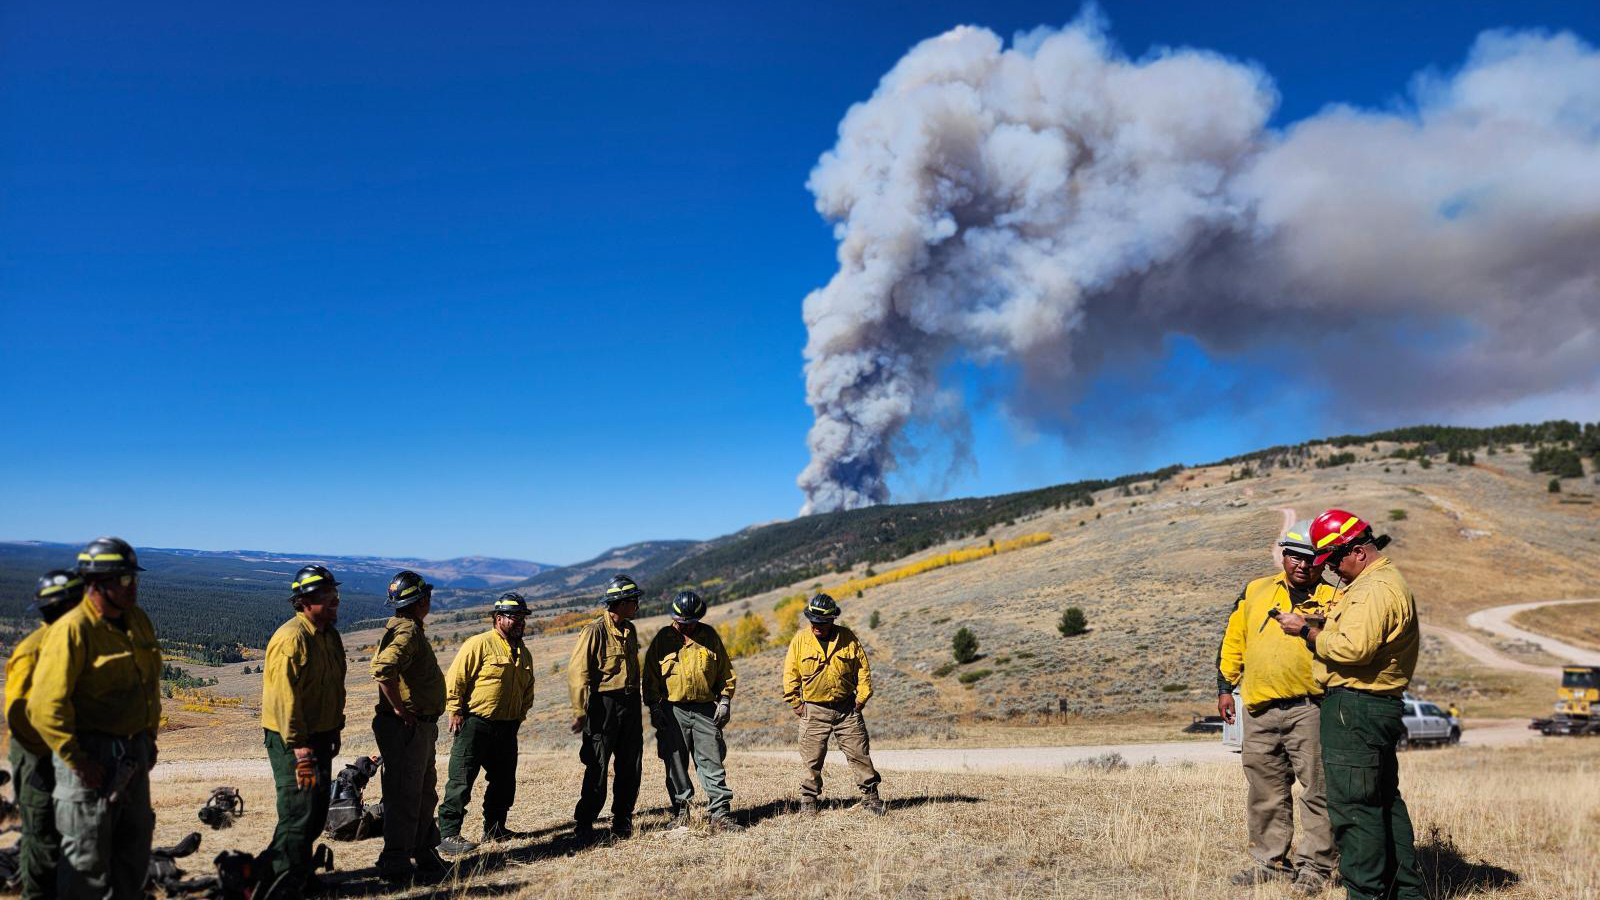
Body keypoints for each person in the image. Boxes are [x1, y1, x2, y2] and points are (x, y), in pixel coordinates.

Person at [1275, 509, 1424, 900]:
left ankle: (1366, 893)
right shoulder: (1380, 583)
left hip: (1355, 707)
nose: (1330, 571)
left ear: (1357, 551)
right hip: (1372, 706)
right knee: (1382, 805)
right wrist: (1328, 623)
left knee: (1354, 811)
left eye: (1333, 561)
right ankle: (1405, 892)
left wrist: (1306, 631)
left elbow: (1353, 649)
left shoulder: (1374, 588)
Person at [28, 537, 162, 900]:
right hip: (91, 760)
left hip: (133, 754)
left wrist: (148, 736)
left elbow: (149, 683)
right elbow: (43, 708)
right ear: (95, 584)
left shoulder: (137, 620)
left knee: (132, 855)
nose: (132, 586)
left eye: (133, 578)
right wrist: (77, 761)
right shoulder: (72, 631)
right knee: (85, 865)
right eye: (123, 580)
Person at [1217, 521, 1339, 893]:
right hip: (1258, 707)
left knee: (1317, 790)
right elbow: (1234, 638)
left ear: (1323, 562)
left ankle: (1316, 868)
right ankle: (1270, 863)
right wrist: (1226, 686)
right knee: (1265, 789)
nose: (1303, 565)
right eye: (1296, 556)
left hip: (1311, 706)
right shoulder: (1255, 591)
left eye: (1312, 558)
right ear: (1284, 555)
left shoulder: (1336, 598)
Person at [260, 564, 347, 898]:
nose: (336, 602)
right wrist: (299, 748)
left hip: (321, 736)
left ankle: (298, 872)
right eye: (329, 597)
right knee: (298, 811)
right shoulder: (291, 638)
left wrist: (335, 727)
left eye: (335, 595)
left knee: (315, 812)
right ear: (307, 601)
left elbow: (333, 686)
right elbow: (285, 698)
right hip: (293, 740)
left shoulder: (329, 636)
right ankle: (281, 883)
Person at [437, 592, 538, 853]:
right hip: (474, 724)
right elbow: (457, 678)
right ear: (498, 618)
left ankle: (495, 829)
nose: (519, 622)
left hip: (507, 727)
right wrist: (455, 710)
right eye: (514, 617)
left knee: (504, 781)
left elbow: (528, 689)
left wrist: (519, 716)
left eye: (522, 618)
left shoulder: (523, 652)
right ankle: (448, 835)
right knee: (461, 779)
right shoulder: (478, 644)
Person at [4, 570, 84, 899]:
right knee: (44, 842)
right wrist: (57, 748)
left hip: (61, 753)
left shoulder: (76, 642)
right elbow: (19, 716)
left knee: (72, 841)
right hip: (39, 758)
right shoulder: (34, 650)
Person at [369, 571, 448, 881]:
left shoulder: (407, 628)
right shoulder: (408, 633)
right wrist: (400, 710)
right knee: (404, 794)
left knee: (423, 791)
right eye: (426, 597)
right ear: (420, 602)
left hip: (417, 729)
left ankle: (424, 850)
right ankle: (396, 861)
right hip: (407, 729)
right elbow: (383, 669)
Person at [643, 591, 740, 831]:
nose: (686, 626)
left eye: (691, 622)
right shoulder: (662, 639)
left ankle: (720, 816)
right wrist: (655, 707)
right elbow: (650, 678)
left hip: (705, 709)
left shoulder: (710, 637)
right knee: (675, 763)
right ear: (674, 617)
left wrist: (725, 700)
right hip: (672, 710)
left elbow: (725, 672)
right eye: (682, 622)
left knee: (713, 763)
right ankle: (681, 814)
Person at [782, 593, 884, 816]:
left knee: (859, 753)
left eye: (822, 622)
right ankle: (808, 801)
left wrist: (860, 699)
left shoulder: (847, 638)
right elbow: (790, 674)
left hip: (847, 708)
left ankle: (871, 797)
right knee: (812, 758)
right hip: (813, 709)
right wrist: (796, 703)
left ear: (832, 620)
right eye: (813, 621)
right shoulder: (800, 640)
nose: (817, 626)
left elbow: (863, 670)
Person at [567, 575, 643, 841]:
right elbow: (578, 673)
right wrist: (580, 710)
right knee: (597, 766)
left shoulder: (630, 630)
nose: (637, 605)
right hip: (604, 706)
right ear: (620, 603)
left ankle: (622, 820)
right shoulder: (594, 631)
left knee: (630, 766)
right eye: (634, 601)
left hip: (631, 703)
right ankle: (585, 824)